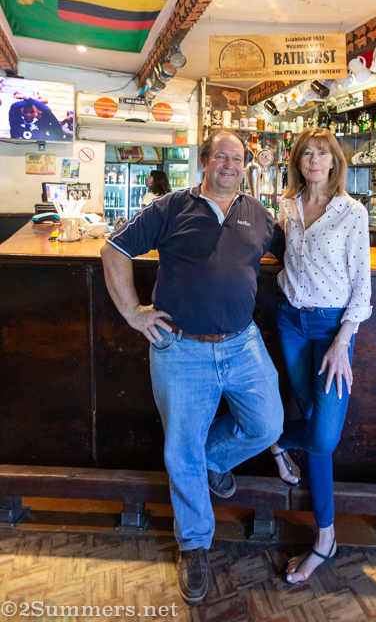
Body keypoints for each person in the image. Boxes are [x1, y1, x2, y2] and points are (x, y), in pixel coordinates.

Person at [100, 129, 285, 605]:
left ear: (247, 166)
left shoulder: (259, 215)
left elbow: (293, 255)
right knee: (180, 446)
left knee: (267, 424)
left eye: (237, 158)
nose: (229, 164)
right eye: (221, 156)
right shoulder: (170, 208)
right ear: (204, 162)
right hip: (179, 348)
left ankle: (213, 461)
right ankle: (195, 545)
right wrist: (133, 313)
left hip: (243, 345)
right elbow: (113, 250)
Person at [271, 127, 372, 585]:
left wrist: (342, 341)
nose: (314, 160)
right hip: (291, 322)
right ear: (298, 161)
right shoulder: (286, 208)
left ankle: (274, 440)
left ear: (334, 162)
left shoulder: (353, 213)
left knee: (324, 436)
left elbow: (361, 285)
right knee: (314, 421)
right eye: (306, 153)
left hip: (333, 329)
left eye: (322, 154)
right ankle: (325, 538)